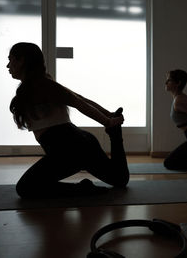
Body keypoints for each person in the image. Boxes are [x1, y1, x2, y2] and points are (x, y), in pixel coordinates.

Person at [7, 42, 129, 199]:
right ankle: (115, 135)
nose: (8, 65)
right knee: (120, 180)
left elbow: (79, 102)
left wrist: (107, 120)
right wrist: (109, 115)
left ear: (22, 60)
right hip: (78, 144)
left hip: (69, 148)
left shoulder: (44, 84)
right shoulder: (39, 84)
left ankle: (83, 190)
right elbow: (80, 99)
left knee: (25, 188)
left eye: (10, 60)